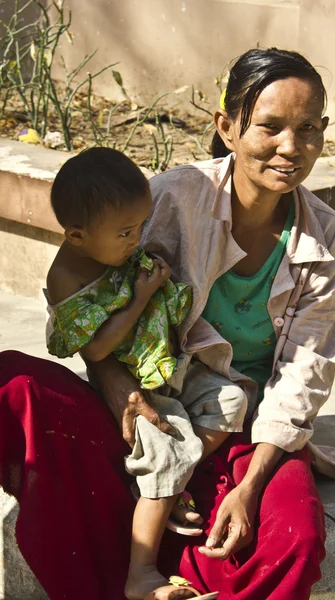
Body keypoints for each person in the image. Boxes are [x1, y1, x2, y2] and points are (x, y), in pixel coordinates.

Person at [0, 46, 335, 600]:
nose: (291, 147)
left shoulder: (322, 235)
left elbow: (306, 370)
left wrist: (252, 486)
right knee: (14, 386)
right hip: (153, 402)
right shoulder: (169, 198)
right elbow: (79, 295)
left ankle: (171, 494)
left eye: (308, 128)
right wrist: (119, 389)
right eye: (270, 126)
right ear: (227, 127)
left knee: (293, 538)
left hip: (237, 426)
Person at [45, 147, 247, 599]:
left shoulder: (119, 249)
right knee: (167, 448)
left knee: (233, 401)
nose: (137, 239)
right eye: (125, 233)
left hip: (168, 366)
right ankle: (141, 574)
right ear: (77, 236)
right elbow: (95, 346)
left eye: (140, 227)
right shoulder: (67, 277)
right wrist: (140, 296)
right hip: (131, 386)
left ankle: (161, 489)